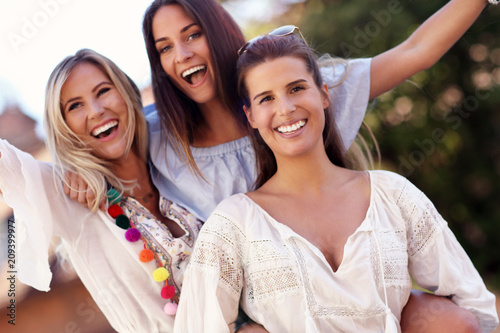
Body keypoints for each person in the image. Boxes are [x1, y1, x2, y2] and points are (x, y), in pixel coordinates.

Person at [173, 32, 499, 333]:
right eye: (266, 99)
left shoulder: (392, 194)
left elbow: (475, 305)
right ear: (251, 117)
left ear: (324, 95)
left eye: (296, 88)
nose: (286, 109)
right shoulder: (233, 224)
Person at [0, 49, 204, 333]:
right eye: (74, 106)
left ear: (125, 93)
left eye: (103, 91)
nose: (96, 111)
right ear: (64, 127)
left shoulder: (178, 145)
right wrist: (67, 163)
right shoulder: (63, 193)